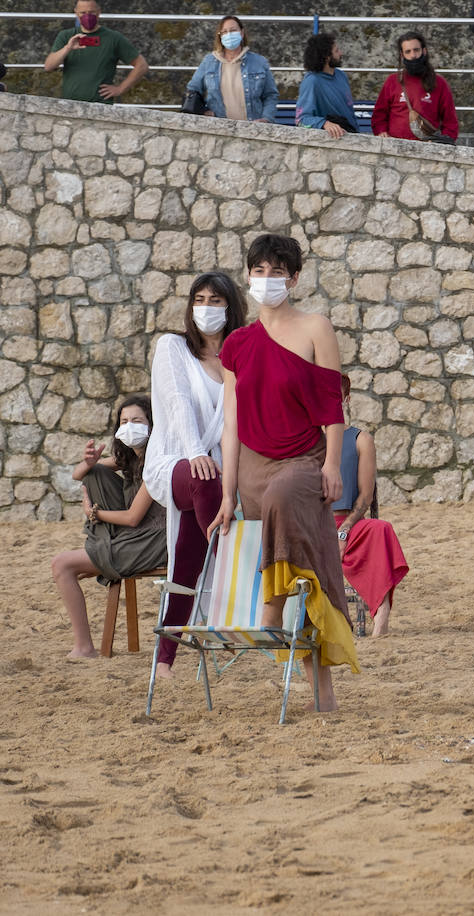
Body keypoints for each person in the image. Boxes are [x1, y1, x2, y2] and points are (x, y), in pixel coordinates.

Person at [210, 234, 359, 711]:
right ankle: (322, 692)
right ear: (248, 275)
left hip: (304, 460)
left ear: (294, 278)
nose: (266, 280)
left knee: (287, 500)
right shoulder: (236, 343)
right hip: (254, 466)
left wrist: (333, 463)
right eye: (259, 271)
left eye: (277, 272)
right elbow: (230, 425)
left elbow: (331, 404)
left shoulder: (316, 327)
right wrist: (228, 494)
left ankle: (270, 610)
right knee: (305, 549)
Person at [143, 271, 247, 680]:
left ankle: (164, 660)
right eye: (199, 299)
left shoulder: (237, 358)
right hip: (174, 461)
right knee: (203, 481)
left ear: (230, 307)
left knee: (186, 557)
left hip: (216, 474)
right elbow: (177, 400)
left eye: (216, 300)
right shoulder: (173, 347)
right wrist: (193, 452)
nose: (206, 308)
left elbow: (237, 423)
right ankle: (237, 580)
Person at [51, 395, 166, 659]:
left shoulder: (156, 461)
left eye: (137, 420)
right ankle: (103, 548)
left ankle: (84, 648)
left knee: (61, 565)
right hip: (136, 535)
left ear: (152, 424)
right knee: (96, 473)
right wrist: (89, 461)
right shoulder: (132, 457)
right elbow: (80, 474)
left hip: (153, 540)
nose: (130, 426)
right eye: (124, 421)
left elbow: (133, 518)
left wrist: (95, 514)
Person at [334, 378, 409, 636]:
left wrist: (343, 531)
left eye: (336, 395)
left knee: (381, 530)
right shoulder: (306, 439)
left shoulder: (360, 439)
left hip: (348, 523)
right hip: (313, 523)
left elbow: (365, 498)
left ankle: (381, 621)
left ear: (346, 398)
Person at [44, 0, 148, 104]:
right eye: (83, 13)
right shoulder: (66, 36)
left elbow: (142, 65)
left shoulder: (114, 38)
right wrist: (67, 48)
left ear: (99, 12)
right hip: (70, 104)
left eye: (92, 12)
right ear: (76, 12)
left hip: (101, 105)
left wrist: (120, 89)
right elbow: (49, 66)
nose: (87, 16)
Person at [184, 15, 279, 123]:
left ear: (242, 33)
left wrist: (266, 119)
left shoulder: (259, 62)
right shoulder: (209, 62)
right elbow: (192, 90)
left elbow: (270, 95)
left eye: (233, 30)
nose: (229, 34)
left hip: (253, 129)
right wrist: (203, 111)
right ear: (220, 36)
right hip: (219, 129)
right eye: (224, 31)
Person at [372, 31, 459, 143]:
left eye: (416, 50)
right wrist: (381, 131)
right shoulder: (392, 81)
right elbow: (379, 115)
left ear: (424, 51)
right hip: (394, 148)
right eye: (408, 52)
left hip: (427, 150)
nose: (413, 55)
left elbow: (450, 121)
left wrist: (445, 142)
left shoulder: (439, 83)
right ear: (402, 55)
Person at [296, 32, 358, 138]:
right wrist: (324, 123)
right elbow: (301, 120)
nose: (341, 53)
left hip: (351, 136)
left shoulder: (341, 75)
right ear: (327, 57)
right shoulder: (312, 81)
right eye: (336, 51)